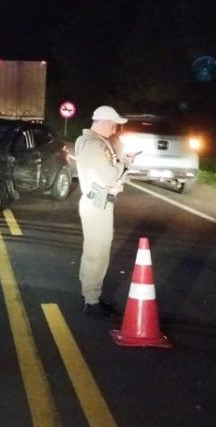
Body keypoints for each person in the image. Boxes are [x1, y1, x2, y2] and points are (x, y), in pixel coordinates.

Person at [75, 105, 130, 318]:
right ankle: (91, 300)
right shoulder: (93, 144)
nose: (115, 130)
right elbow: (107, 176)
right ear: (103, 122)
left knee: (95, 252)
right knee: (96, 254)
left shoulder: (96, 143)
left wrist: (122, 167)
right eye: (113, 125)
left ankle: (91, 296)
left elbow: (112, 176)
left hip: (99, 203)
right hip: (97, 204)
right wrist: (124, 164)